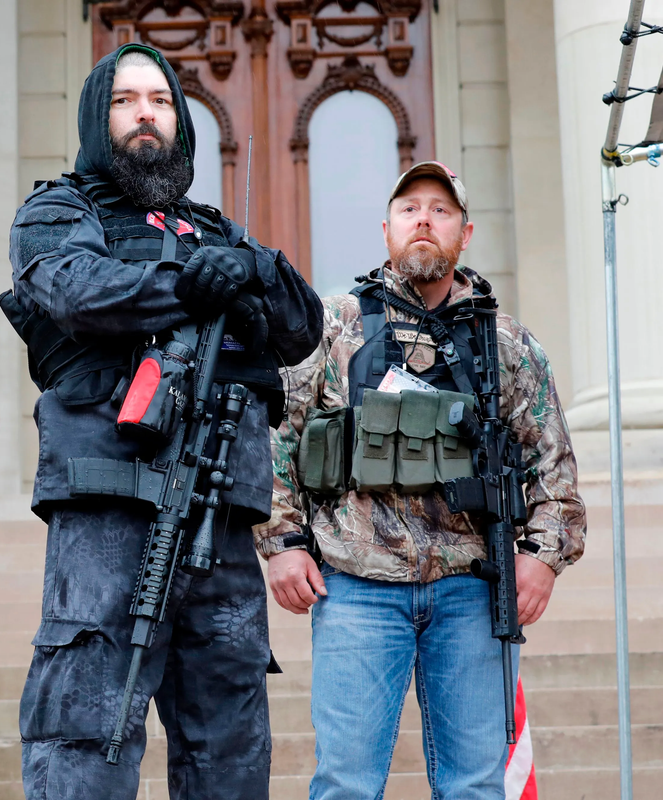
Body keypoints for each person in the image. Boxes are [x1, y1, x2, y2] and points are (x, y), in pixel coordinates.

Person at [4, 44, 322, 799]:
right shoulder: (57, 210)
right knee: (87, 725)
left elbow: (300, 326)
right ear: (96, 115)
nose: (146, 113)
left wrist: (249, 269)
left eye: (161, 101)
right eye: (125, 100)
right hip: (111, 502)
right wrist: (192, 283)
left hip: (218, 513)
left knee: (230, 738)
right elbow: (78, 291)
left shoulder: (217, 231)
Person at [257, 161, 586, 798]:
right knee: (347, 785)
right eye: (410, 209)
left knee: (476, 786)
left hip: (471, 589)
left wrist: (543, 557)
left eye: (441, 210)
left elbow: (554, 465)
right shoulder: (334, 326)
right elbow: (277, 436)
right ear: (387, 230)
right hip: (355, 587)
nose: (424, 221)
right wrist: (282, 542)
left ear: (466, 233)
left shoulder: (506, 343)